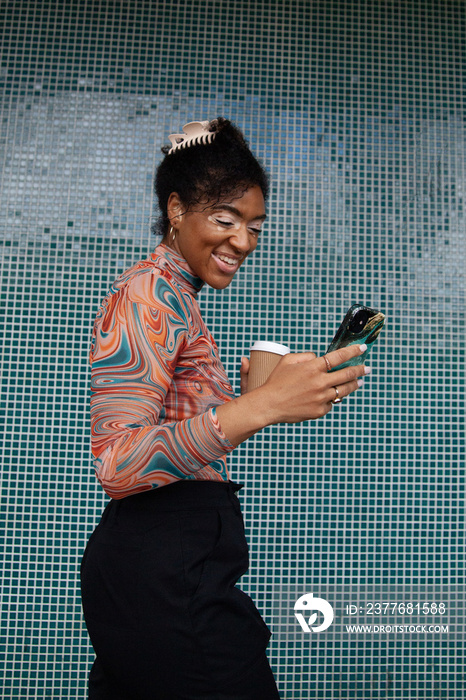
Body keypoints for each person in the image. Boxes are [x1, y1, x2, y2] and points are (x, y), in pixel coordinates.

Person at [80, 118, 368, 700]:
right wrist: (259, 407)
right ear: (177, 209)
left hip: (168, 563)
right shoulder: (148, 294)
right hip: (165, 568)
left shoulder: (177, 296)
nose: (243, 241)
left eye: (255, 226)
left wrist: (259, 403)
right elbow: (118, 463)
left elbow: (184, 444)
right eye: (225, 219)